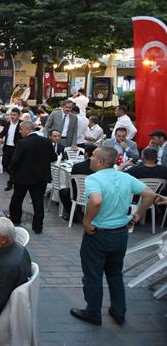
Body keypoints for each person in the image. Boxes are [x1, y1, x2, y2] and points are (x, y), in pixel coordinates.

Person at [70, 146, 156, 326]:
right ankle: (119, 311)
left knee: (93, 275)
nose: (90, 159)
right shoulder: (125, 177)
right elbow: (149, 194)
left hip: (98, 234)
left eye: (93, 156)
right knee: (114, 273)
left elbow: (96, 200)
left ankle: (93, 313)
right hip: (120, 234)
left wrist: (87, 222)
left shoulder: (94, 178)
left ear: (101, 161)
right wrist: (138, 214)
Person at [8, 121, 57, 234]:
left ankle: (15, 220)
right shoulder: (46, 141)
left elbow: (15, 160)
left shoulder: (22, 142)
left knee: (17, 199)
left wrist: (11, 169)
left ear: (27, 129)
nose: (19, 132)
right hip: (40, 178)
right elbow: (53, 157)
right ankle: (38, 226)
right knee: (38, 202)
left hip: (23, 177)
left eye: (20, 129)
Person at [59, 145, 96, 221]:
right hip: (95, 194)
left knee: (63, 192)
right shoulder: (99, 167)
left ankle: (71, 214)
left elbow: (72, 182)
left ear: (86, 154)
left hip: (79, 194)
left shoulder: (77, 166)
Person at [0, 108, 22, 191]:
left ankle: (10, 183)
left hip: (16, 148)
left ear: (19, 115)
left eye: (14, 115)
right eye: (11, 114)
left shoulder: (21, 124)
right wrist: (0, 138)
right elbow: (2, 133)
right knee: (5, 164)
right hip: (7, 147)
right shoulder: (8, 123)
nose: (12, 116)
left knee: (13, 166)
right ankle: (15, 178)